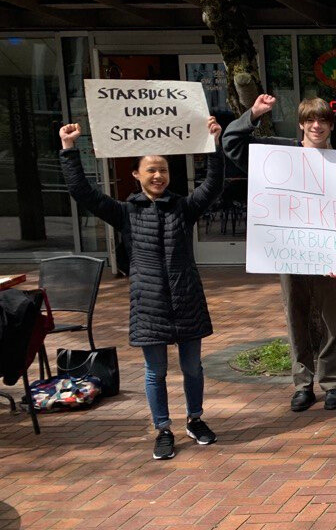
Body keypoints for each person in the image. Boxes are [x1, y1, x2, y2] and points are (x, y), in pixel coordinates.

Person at [59, 119, 223, 460]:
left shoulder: (184, 207)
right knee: (156, 371)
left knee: (193, 367)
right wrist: (69, 151)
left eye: (162, 170)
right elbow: (83, 193)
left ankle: (195, 419)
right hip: (148, 304)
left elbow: (213, 185)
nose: (158, 176)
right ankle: (162, 428)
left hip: (187, 299)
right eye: (150, 170)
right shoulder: (124, 212)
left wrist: (214, 145)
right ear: (136, 175)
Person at [223, 95, 336, 413]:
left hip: (324, 251)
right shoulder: (280, 153)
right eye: (310, 120)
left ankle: (332, 383)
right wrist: (252, 114)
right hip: (288, 249)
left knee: (328, 318)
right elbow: (232, 144)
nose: (317, 126)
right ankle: (303, 384)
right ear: (301, 124)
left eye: (323, 121)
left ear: (330, 125)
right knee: (296, 315)